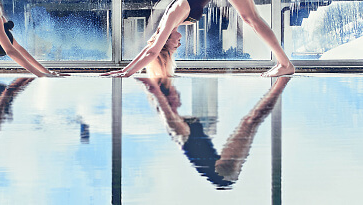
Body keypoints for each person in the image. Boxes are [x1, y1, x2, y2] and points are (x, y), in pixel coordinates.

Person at [135, 76, 290, 188]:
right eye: (173, 92)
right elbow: (158, 97)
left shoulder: (177, 122)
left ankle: (282, 81)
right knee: (250, 121)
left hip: (219, 172)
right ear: (168, 99)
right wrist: (151, 87)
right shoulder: (174, 125)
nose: (177, 93)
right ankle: (283, 80)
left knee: (250, 120)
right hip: (221, 174)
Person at [102, 0, 295, 77]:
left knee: (250, 18)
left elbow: (153, 50)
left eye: (173, 47)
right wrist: (125, 68)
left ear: (166, 41)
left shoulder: (171, 17)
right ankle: (284, 63)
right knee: (250, 18)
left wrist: (127, 73)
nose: (178, 44)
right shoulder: (169, 25)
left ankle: (284, 64)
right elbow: (150, 47)